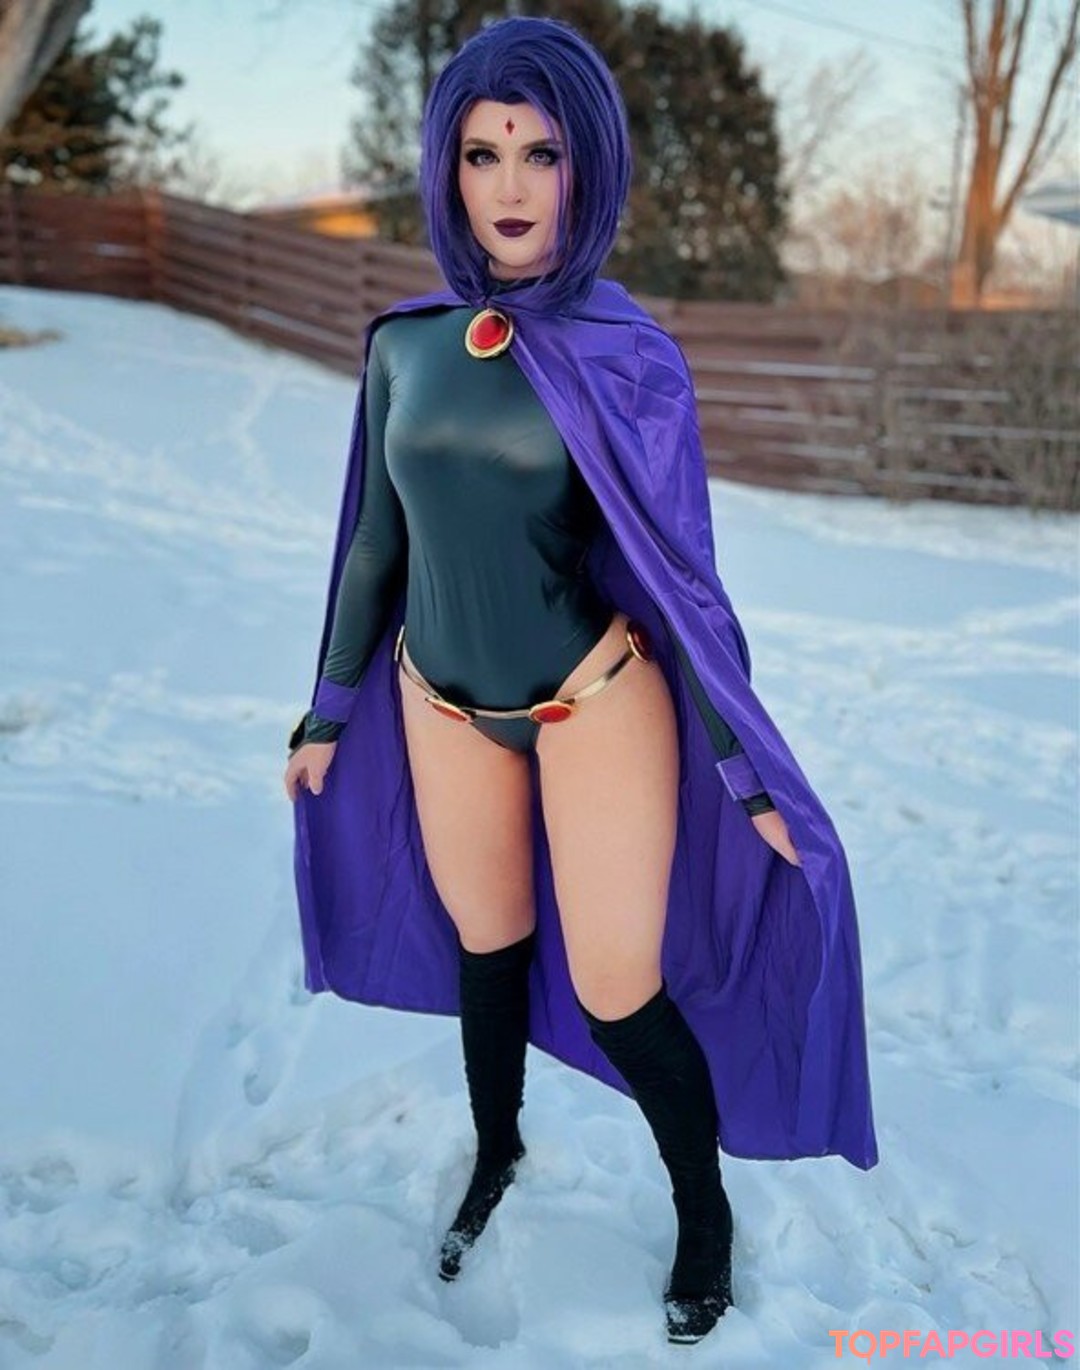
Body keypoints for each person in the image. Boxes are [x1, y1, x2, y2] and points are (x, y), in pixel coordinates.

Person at [284, 15, 877, 1348]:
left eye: (540, 153)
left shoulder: (627, 355)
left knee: (620, 991)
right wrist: (329, 709)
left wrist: (748, 775)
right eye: (481, 152)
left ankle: (703, 1212)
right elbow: (376, 542)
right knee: (486, 950)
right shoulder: (403, 346)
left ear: (586, 167)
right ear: (445, 168)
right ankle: (496, 1148)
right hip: (441, 704)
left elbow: (684, 582)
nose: (508, 185)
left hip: (594, 701)